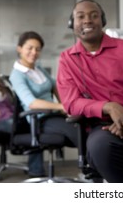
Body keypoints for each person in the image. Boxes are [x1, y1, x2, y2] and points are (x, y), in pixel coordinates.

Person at [56, 0, 123, 183]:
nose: (87, 20)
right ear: (72, 24)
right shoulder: (67, 59)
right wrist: (108, 107)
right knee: (100, 147)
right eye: (81, 16)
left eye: (94, 15)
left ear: (102, 21)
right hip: (102, 127)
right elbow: (71, 103)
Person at [9, 31, 78, 177]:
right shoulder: (17, 75)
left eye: (38, 49)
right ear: (19, 48)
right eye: (30, 48)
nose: (34, 52)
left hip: (53, 114)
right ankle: (93, 170)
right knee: (75, 131)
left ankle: (93, 166)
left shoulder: (38, 68)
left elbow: (55, 85)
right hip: (39, 119)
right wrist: (61, 107)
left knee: (82, 123)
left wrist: (65, 103)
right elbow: (32, 103)